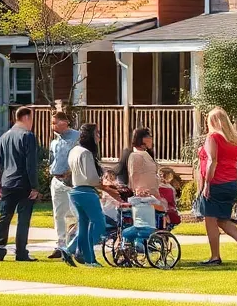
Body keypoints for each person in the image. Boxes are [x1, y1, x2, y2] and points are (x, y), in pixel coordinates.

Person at [195, 106, 237, 265]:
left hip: (216, 183)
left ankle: (215, 257)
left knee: (210, 220)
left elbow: (213, 160)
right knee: (222, 219)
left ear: (211, 122)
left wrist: (206, 184)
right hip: (231, 183)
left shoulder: (213, 137)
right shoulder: (234, 140)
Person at [60, 123, 115, 268]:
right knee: (98, 224)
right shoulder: (86, 153)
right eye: (97, 133)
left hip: (75, 191)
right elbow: (91, 178)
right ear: (90, 135)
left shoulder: (74, 150)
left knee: (84, 225)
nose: (99, 137)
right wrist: (103, 183)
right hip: (87, 191)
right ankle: (90, 258)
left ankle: (70, 249)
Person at [0, 106, 39, 262]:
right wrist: (34, 186)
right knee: (23, 219)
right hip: (24, 182)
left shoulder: (4, 137)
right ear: (26, 118)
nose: (32, 122)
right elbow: (30, 163)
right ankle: (20, 252)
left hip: (7, 182)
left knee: (4, 217)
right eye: (32, 118)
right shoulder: (28, 136)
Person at [45, 110, 80, 259]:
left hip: (71, 181)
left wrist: (71, 171)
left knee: (77, 213)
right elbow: (52, 158)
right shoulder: (55, 141)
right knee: (59, 214)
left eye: (54, 122)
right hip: (56, 180)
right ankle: (60, 245)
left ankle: (76, 243)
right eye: (52, 122)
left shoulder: (76, 137)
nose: (52, 125)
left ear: (64, 122)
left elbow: (82, 157)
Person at [116, 128, 160, 195]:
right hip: (141, 194)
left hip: (152, 192)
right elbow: (133, 176)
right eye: (149, 137)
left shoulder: (148, 153)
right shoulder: (132, 154)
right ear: (142, 139)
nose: (151, 139)